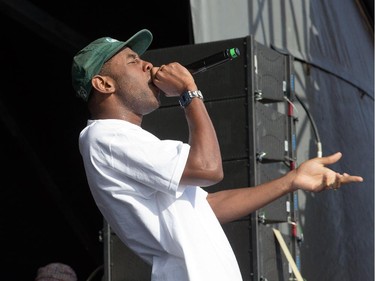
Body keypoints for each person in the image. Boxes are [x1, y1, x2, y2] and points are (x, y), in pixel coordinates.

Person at [71, 29, 363, 281]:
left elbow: (207, 207)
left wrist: (292, 181)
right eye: (133, 61)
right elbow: (209, 169)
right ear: (104, 84)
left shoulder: (123, 140)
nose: (148, 65)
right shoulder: (105, 137)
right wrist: (189, 92)